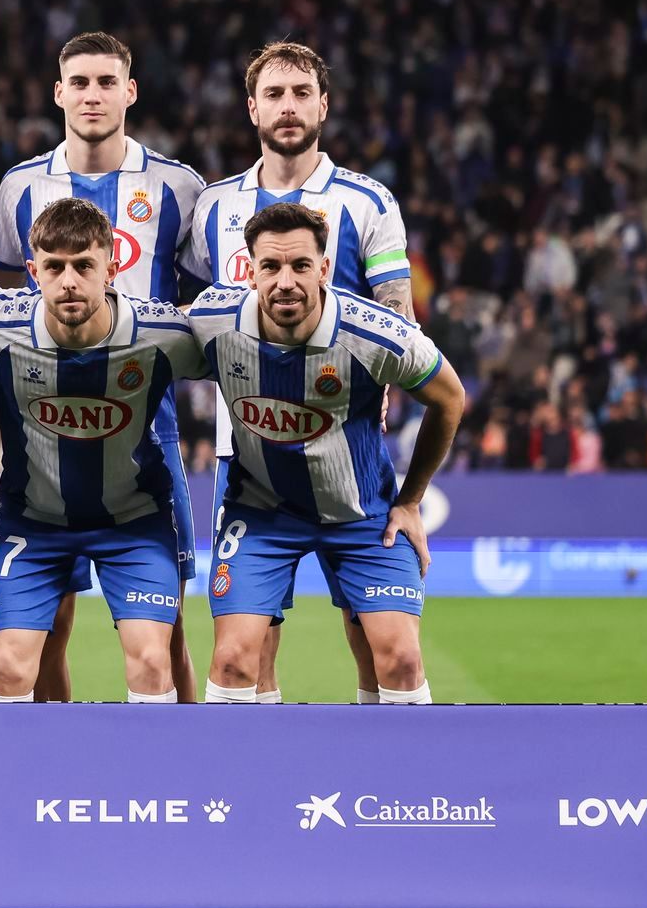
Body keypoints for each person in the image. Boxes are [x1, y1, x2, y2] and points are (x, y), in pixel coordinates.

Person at [183, 41, 414, 703]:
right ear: (252, 108)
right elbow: (198, 319)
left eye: (301, 93)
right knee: (248, 650)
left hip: (350, 456)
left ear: (324, 104)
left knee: (375, 641)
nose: (288, 107)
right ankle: (264, 790)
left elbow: (399, 321)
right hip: (251, 454)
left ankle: (382, 778)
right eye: (275, 95)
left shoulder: (367, 203)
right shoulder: (215, 207)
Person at [0, 31, 205, 703]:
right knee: (47, 617)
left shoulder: (177, 186)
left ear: (129, 91)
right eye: (78, 82)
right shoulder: (20, 186)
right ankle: (52, 763)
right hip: (46, 428)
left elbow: (199, 309)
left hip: (147, 429)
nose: (91, 95)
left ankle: (197, 762)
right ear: (58, 93)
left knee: (164, 633)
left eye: (105, 82)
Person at [187, 202, 463, 705]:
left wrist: (411, 498)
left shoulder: (375, 334)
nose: (285, 281)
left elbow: (450, 397)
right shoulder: (211, 321)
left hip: (362, 514)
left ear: (325, 269)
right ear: (250, 271)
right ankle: (240, 782)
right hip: (261, 512)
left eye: (300, 266)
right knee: (232, 660)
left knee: (399, 658)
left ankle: (398, 781)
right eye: (270, 266)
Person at [0, 198, 205, 701]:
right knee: (7, 667)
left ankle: (159, 779)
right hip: (33, 524)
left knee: (153, 661)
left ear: (112, 268)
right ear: (32, 271)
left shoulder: (163, 334)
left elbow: (240, 351)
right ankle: (28, 778)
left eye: (83, 266)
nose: (68, 280)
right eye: (53, 267)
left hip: (133, 522)